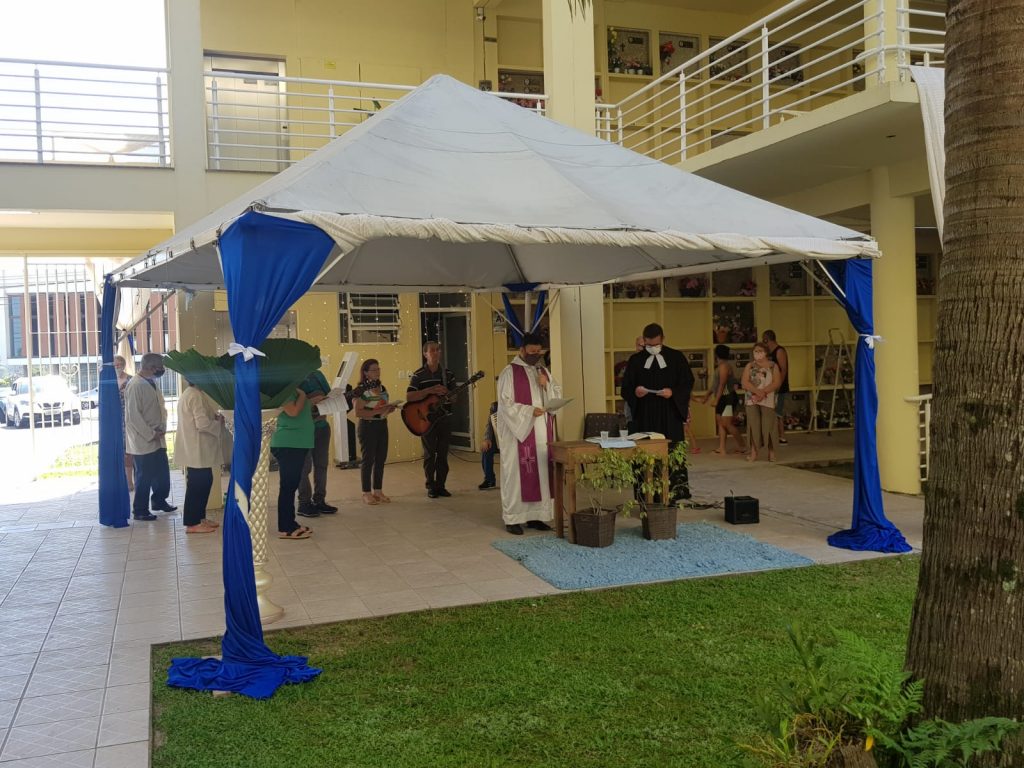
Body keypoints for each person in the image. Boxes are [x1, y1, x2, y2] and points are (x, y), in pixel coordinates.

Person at [620, 323, 695, 500]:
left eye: (656, 344)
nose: (652, 348)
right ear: (644, 341)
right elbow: (626, 388)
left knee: (671, 451)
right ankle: (645, 493)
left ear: (663, 339)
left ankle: (674, 492)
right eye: (649, 345)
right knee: (645, 453)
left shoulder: (676, 357)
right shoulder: (636, 360)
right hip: (644, 415)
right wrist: (636, 392)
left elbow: (687, 382)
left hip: (669, 413)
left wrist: (673, 392)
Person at [496, 332, 559, 535]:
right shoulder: (509, 373)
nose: (535, 356)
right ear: (522, 350)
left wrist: (546, 385)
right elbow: (505, 405)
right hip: (519, 434)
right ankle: (513, 518)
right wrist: (529, 411)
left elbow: (556, 396)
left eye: (538, 352)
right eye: (532, 352)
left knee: (541, 474)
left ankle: (537, 516)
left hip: (541, 434)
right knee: (516, 476)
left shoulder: (543, 371)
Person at [124, 353, 175, 521]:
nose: (162, 370)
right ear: (152, 368)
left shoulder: (152, 381)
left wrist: (162, 428)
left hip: (158, 436)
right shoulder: (135, 385)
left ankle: (159, 501)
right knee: (144, 477)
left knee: (161, 474)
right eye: (161, 367)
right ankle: (140, 510)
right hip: (143, 439)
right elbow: (133, 416)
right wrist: (150, 433)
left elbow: (160, 407)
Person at [173, 380, 223, 533]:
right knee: (197, 485)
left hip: (197, 448)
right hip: (196, 448)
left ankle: (200, 517)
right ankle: (192, 523)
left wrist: (214, 418)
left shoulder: (193, 393)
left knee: (205, 482)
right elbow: (202, 424)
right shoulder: (194, 395)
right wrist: (218, 423)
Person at [407, 340, 455, 498]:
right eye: (432, 350)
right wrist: (429, 390)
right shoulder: (418, 375)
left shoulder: (448, 374)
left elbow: (455, 398)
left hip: (445, 418)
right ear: (425, 354)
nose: (436, 353)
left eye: (438, 350)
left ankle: (441, 485)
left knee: (443, 454)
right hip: (426, 419)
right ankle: (430, 486)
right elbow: (409, 396)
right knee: (429, 454)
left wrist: (447, 393)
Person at [270, 386, 318, 540]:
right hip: (289, 443)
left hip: (297, 443)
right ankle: (285, 528)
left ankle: (290, 523)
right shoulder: (284, 389)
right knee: (288, 486)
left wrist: (311, 401)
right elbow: (293, 411)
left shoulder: (292, 390)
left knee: (291, 485)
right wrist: (303, 395)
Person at [354, 359, 397, 505]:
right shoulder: (362, 390)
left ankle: (378, 491)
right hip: (368, 426)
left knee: (380, 459)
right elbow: (358, 412)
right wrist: (376, 411)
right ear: (366, 373)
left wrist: (389, 409)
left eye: (378, 369)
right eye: (373, 370)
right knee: (368, 460)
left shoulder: (382, 387)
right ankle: (366, 493)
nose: (377, 372)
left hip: (382, 425)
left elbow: (382, 408)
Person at [297, 366, 337, 517]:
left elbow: (328, 395)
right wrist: (311, 401)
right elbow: (290, 403)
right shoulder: (292, 375)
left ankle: (320, 500)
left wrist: (331, 398)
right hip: (302, 429)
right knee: (304, 468)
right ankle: (304, 503)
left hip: (322, 426)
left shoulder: (317, 374)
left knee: (321, 465)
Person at [700, 344, 747, 456]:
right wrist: (707, 396)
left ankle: (743, 446)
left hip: (728, 398)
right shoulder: (719, 367)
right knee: (720, 423)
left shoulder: (724, 367)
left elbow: (722, 384)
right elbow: (714, 386)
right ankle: (722, 448)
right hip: (722, 398)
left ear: (716, 354)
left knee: (727, 424)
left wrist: (716, 399)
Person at [741, 342, 781, 462]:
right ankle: (754, 452)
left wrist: (763, 392)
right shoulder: (749, 366)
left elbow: (777, 382)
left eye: (760, 351)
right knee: (754, 426)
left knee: (769, 425)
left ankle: (771, 452)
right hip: (752, 399)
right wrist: (757, 392)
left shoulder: (773, 366)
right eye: (755, 351)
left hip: (768, 399)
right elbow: (745, 382)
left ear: (766, 352)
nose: (758, 353)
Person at [763, 329, 790, 444]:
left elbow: (783, 370)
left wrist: (778, 385)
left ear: (767, 339)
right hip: (771, 386)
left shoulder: (779, 351)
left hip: (779, 387)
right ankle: (773, 435)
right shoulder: (769, 353)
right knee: (771, 412)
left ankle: (782, 436)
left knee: (778, 412)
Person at [114, 355, 134, 490]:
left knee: (128, 451)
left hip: (128, 418)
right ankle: (119, 480)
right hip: (114, 419)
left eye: (119, 364)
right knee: (117, 451)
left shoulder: (130, 380)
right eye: (115, 365)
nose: (117, 367)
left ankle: (129, 481)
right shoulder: (110, 380)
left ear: (124, 365)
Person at [479, 400, 498, 490]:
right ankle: (489, 480)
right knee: (486, 449)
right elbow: (490, 425)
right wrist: (487, 439)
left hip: (513, 439)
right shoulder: (495, 406)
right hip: (499, 437)